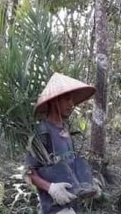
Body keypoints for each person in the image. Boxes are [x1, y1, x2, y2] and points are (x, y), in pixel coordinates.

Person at [24, 72, 97, 214]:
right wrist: (51, 187)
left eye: (72, 99)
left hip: (73, 206)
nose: (71, 104)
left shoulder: (66, 130)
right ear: (54, 101)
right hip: (54, 209)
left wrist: (90, 183)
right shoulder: (42, 133)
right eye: (66, 99)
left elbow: (70, 166)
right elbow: (29, 172)